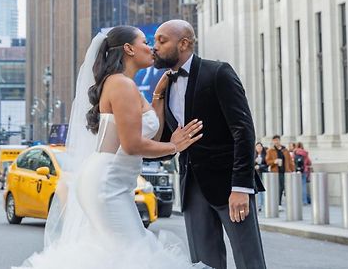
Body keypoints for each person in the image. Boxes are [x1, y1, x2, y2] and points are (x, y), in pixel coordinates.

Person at [15, 26, 206, 269]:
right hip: (107, 183)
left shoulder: (123, 83)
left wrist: (157, 96)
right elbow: (132, 144)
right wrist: (173, 146)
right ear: (128, 49)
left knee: (118, 254)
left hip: (108, 180)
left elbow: (151, 132)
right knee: (135, 252)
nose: (152, 47)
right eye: (145, 41)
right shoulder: (122, 85)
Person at [152, 19, 266, 269]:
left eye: (162, 40)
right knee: (203, 264)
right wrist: (157, 97)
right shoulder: (166, 86)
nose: (154, 46)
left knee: (250, 262)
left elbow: (243, 131)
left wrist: (241, 187)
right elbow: (160, 146)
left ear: (184, 43)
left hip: (229, 186)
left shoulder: (218, 72)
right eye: (154, 40)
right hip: (191, 189)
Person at [266, 135, 294, 207]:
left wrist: (292, 169)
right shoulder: (270, 150)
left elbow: (290, 161)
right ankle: (278, 203)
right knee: (279, 187)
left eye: (277, 140)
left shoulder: (285, 150)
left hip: (285, 171)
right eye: (274, 140)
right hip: (276, 172)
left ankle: (286, 202)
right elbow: (267, 161)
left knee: (286, 187)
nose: (276, 142)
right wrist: (274, 161)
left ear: (279, 140)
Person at [255, 142, 268, 212]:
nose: (258, 148)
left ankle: (265, 204)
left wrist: (259, 166)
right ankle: (259, 205)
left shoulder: (265, 155)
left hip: (264, 174)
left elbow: (267, 164)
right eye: (257, 147)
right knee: (259, 191)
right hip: (257, 174)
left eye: (260, 147)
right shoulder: (254, 155)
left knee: (264, 190)